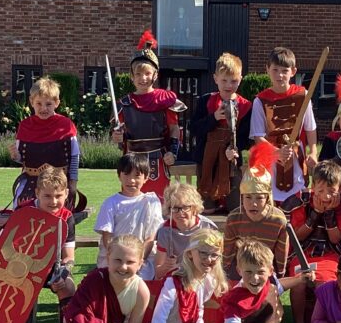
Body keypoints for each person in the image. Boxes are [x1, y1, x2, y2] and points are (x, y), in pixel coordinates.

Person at [0, 167, 76, 323]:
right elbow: (3, 248)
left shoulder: (67, 217)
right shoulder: (22, 212)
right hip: (22, 266)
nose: (53, 201)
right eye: (47, 195)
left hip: (52, 268)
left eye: (58, 196)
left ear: (66, 194)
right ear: (37, 193)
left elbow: (69, 257)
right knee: (1, 285)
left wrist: (63, 273)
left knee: (68, 288)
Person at [287, 159, 341, 323]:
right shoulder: (300, 203)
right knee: (298, 283)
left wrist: (329, 213)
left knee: (325, 284)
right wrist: (315, 213)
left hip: (330, 256)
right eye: (320, 189)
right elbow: (297, 236)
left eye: (331, 190)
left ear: (339, 189)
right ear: (313, 186)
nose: (325, 195)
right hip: (303, 253)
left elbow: (335, 238)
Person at [111, 30, 186, 198]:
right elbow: (119, 134)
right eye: (138, 74)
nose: (142, 78)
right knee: (133, 204)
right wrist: (117, 137)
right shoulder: (125, 104)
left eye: (147, 73)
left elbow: (174, 129)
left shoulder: (165, 100)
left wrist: (173, 152)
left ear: (155, 75)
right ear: (132, 76)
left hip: (157, 162)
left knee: (158, 206)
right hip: (132, 162)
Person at [250, 46, 318, 212]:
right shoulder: (260, 101)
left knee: (297, 207)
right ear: (267, 70)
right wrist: (276, 152)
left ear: (293, 71)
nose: (280, 75)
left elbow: (310, 128)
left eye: (284, 70)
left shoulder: (303, 96)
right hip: (271, 160)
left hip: (296, 157)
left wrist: (313, 152)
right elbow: (258, 136)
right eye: (275, 70)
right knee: (271, 207)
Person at [189, 52, 252, 214]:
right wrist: (214, 118)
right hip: (206, 164)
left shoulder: (246, 106)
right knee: (207, 209)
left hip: (231, 164)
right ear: (215, 78)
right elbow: (194, 128)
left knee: (236, 209)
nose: (228, 85)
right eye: (224, 80)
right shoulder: (206, 101)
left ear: (241, 79)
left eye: (234, 81)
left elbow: (247, 138)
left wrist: (236, 149)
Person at [10, 77, 80, 209]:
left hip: (59, 184)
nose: (44, 108)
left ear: (57, 103)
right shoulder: (25, 126)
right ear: (31, 102)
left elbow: (74, 157)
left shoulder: (65, 125)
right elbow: (23, 160)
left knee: (56, 211)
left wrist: (73, 184)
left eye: (48, 104)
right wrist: (16, 157)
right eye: (39, 103)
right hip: (32, 183)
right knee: (23, 208)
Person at [222, 140, 289, 281]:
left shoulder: (278, 220)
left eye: (259, 198)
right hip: (239, 270)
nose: (253, 203)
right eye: (248, 197)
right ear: (242, 197)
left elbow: (281, 253)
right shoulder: (234, 218)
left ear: (267, 197)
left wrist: (279, 274)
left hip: (266, 270)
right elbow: (227, 253)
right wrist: (225, 271)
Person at [93, 153, 162, 276]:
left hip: (142, 258)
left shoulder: (150, 202)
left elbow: (150, 239)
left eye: (137, 176)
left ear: (146, 178)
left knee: (141, 282)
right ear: (119, 175)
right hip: (113, 257)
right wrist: (116, 260)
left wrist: (138, 261)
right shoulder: (111, 203)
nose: (131, 181)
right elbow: (107, 238)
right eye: (126, 174)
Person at [151, 181, 218, 281]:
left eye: (185, 207)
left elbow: (216, 266)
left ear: (194, 208)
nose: (180, 213)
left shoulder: (207, 226)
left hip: (202, 277)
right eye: (175, 208)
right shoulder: (164, 231)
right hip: (176, 277)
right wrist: (166, 266)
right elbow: (158, 273)